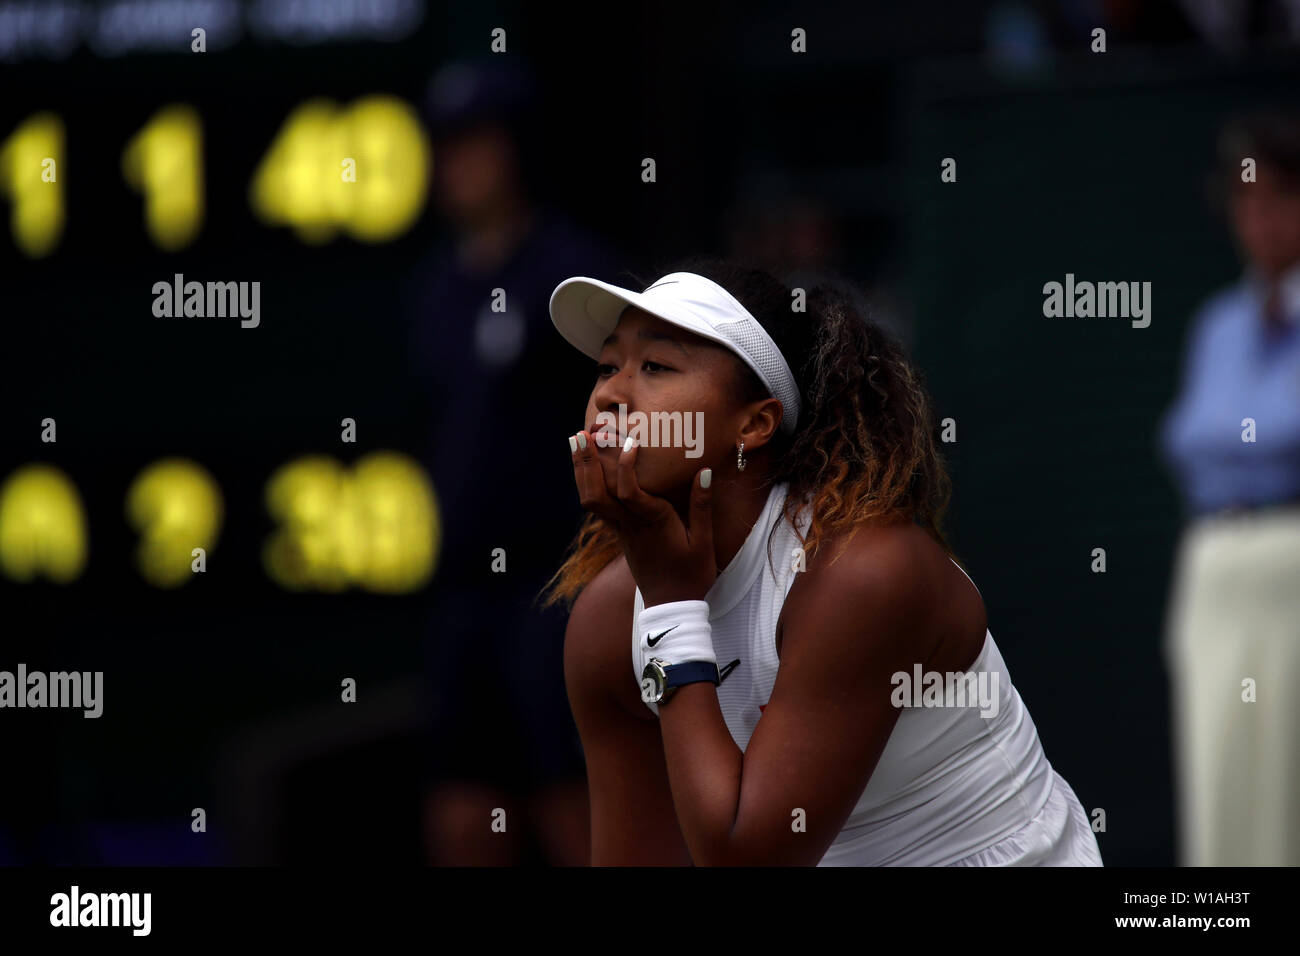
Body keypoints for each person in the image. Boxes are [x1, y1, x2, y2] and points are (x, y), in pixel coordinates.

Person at [542, 257, 1104, 866]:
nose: (610, 395)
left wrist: (673, 608)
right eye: (605, 367)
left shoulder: (864, 574)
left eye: (655, 366)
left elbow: (745, 859)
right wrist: (664, 605)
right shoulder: (605, 624)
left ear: (755, 425)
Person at [407, 58, 622, 865]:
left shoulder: (576, 276)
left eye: (476, 143)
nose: (457, 165)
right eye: (445, 146)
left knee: (573, 804)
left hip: (561, 586)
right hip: (461, 596)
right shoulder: (434, 292)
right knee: (462, 814)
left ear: (518, 150)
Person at [1158, 110, 1300, 866]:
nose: (1261, 218)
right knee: (1220, 790)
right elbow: (1198, 445)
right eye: (1247, 200)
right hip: (1215, 569)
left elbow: (1243, 436)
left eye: (1278, 196)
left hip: (1293, 565)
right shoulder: (1217, 326)